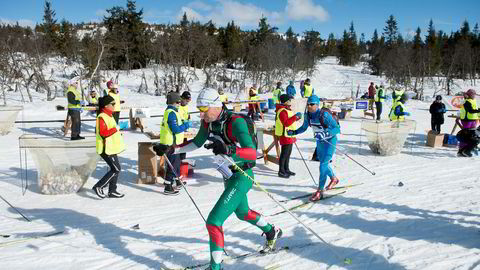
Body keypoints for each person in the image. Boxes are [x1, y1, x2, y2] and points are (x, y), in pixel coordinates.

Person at [155, 88, 282, 270]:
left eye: (204, 109)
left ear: (215, 105)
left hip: (242, 175)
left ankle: (215, 267)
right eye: (199, 108)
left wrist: (229, 150)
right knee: (243, 212)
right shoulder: (208, 122)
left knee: (214, 221)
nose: (201, 113)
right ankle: (272, 232)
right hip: (228, 174)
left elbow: (252, 153)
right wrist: (171, 149)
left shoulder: (235, 123)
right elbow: (196, 142)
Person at [288, 95, 341, 201]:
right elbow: (304, 127)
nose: (309, 106)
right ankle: (334, 179)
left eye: (312, 104)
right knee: (323, 163)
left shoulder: (324, 115)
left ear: (317, 105)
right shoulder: (308, 115)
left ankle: (320, 191)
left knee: (322, 166)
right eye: (308, 104)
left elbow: (337, 128)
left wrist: (325, 134)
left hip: (330, 141)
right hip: (320, 142)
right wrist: (294, 132)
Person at [92, 95, 126, 199]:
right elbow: (103, 133)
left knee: (115, 168)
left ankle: (112, 191)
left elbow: (111, 130)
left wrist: (118, 130)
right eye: (113, 104)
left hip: (111, 147)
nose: (114, 105)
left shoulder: (109, 115)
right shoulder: (102, 116)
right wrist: (116, 128)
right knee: (116, 169)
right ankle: (99, 186)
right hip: (105, 148)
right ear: (106, 105)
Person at [160, 92, 191, 195]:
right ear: (173, 102)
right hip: (171, 143)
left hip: (174, 143)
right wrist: (185, 126)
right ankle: (167, 186)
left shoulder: (173, 111)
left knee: (177, 163)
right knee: (172, 165)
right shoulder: (171, 113)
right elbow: (175, 129)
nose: (179, 103)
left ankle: (176, 181)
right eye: (178, 102)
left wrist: (183, 122)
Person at [275, 94, 301, 178]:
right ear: (285, 101)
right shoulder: (282, 111)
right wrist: (295, 117)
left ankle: (286, 169)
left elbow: (290, 120)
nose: (291, 102)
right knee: (284, 154)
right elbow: (286, 123)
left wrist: (297, 118)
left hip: (290, 134)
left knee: (288, 153)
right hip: (284, 134)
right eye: (289, 100)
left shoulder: (287, 109)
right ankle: (281, 171)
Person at [455, 89, 480, 156]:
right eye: (473, 94)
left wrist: (478, 113)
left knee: (472, 136)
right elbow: (470, 110)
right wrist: (478, 110)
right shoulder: (466, 101)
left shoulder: (473, 101)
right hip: (467, 121)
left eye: (474, 94)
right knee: (466, 136)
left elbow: (475, 110)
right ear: (469, 94)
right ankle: (462, 151)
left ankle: (466, 150)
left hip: (473, 120)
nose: (474, 95)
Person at [178, 91, 192, 164]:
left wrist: (188, 118)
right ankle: (177, 163)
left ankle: (182, 161)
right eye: (186, 101)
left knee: (184, 146)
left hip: (184, 129)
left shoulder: (186, 106)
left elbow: (186, 115)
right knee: (178, 147)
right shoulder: (177, 106)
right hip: (178, 130)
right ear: (182, 98)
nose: (187, 103)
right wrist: (184, 121)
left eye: (188, 101)